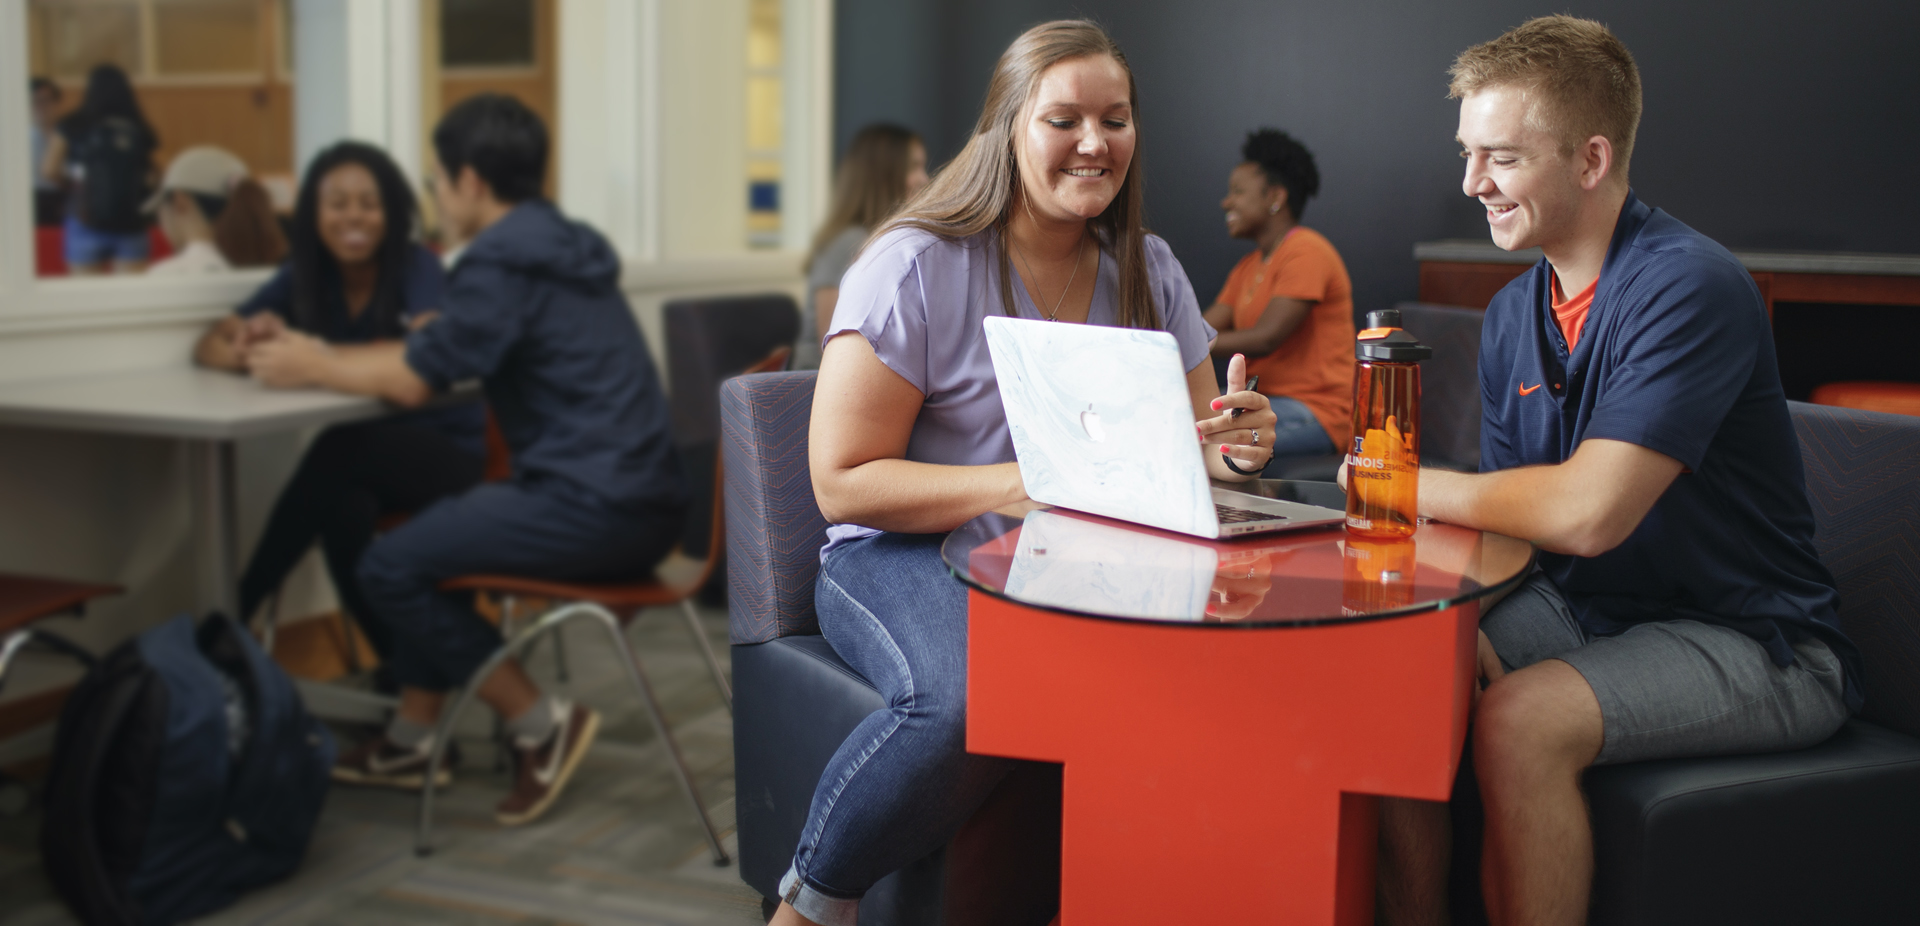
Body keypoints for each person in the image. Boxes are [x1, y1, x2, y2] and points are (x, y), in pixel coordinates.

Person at [773, 21, 1278, 926]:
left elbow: (1199, 444)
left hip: (1071, 555)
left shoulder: (1148, 269)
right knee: (970, 699)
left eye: (1115, 119)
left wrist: (1235, 442)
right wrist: (1028, 483)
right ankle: (813, 902)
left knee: (1225, 681)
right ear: (1007, 128)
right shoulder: (914, 265)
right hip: (898, 553)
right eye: (1065, 119)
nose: (1095, 142)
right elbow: (842, 482)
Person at [1372, 17, 1860, 926]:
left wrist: (1390, 484)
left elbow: (1589, 514)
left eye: (1502, 159)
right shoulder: (1517, 307)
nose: (1472, 183)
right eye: (1469, 154)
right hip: (1588, 610)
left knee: (1519, 723)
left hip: (1752, 640)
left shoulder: (1692, 285)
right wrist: (1453, 613)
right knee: (1397, 669)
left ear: (1591, 161)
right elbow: (1513, 518)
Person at [244, 94, 688, 826]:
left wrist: (310, 363)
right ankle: (414, 736)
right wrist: (343, 354)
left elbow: (416, 377)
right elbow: (442, 352)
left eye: (438, 182)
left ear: (470, 182)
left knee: (389, 565)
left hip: (594, 504)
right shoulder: (560, 246)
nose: (438, 198)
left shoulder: (498, 261)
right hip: (645, 498)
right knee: (424, 544)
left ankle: (541, 723)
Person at [195, 141, 480, 672]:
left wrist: (316, 355)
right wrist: (251, 348)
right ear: (314, 214)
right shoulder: (304, 274)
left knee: (339, 449)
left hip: (455, 451)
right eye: (338, 203)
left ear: (392, 212)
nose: (354, 216)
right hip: (372, 459)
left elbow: (427, 352)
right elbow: (209, 343)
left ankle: (231, 618)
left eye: (369, 203)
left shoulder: (418, 267)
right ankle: (400, 669)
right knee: (342, 511)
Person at [1204, 128, 1355, 470]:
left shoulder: (1307, 251)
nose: (1226, 202)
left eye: (1238, 192)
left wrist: (1186, 344)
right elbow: (1204, 326)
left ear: (1275, 196)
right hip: (1267, 407)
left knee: (1201, 440)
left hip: (1318, 412)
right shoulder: (1248, 267)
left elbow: (1266, 338)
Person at [799, 123, 930, 367]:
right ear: (883, 174)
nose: (924, 178)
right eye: (914, 167)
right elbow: (832, 342)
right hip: (812, 387)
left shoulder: (884, 240)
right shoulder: (849, 242)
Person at [40, 64, 157, 274]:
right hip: (130, 219)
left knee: (85, 298)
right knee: (134, 299)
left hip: (83, 216)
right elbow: (154, 176)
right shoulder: (139, 127)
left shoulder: (72, 124)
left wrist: (70, 184)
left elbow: (49, 169)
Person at [147, 145, 288, 275]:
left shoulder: (165, 275)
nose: (161, 221)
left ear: (180, 201)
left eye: (160, 209)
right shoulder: (277, 272)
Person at [29, 77, 65, 227]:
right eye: (35, 101)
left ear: (56, 103)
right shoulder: (18, 139)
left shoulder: (66, 135)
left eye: (46, 100)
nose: (40, 106)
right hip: (31, 200)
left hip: (62, 200)